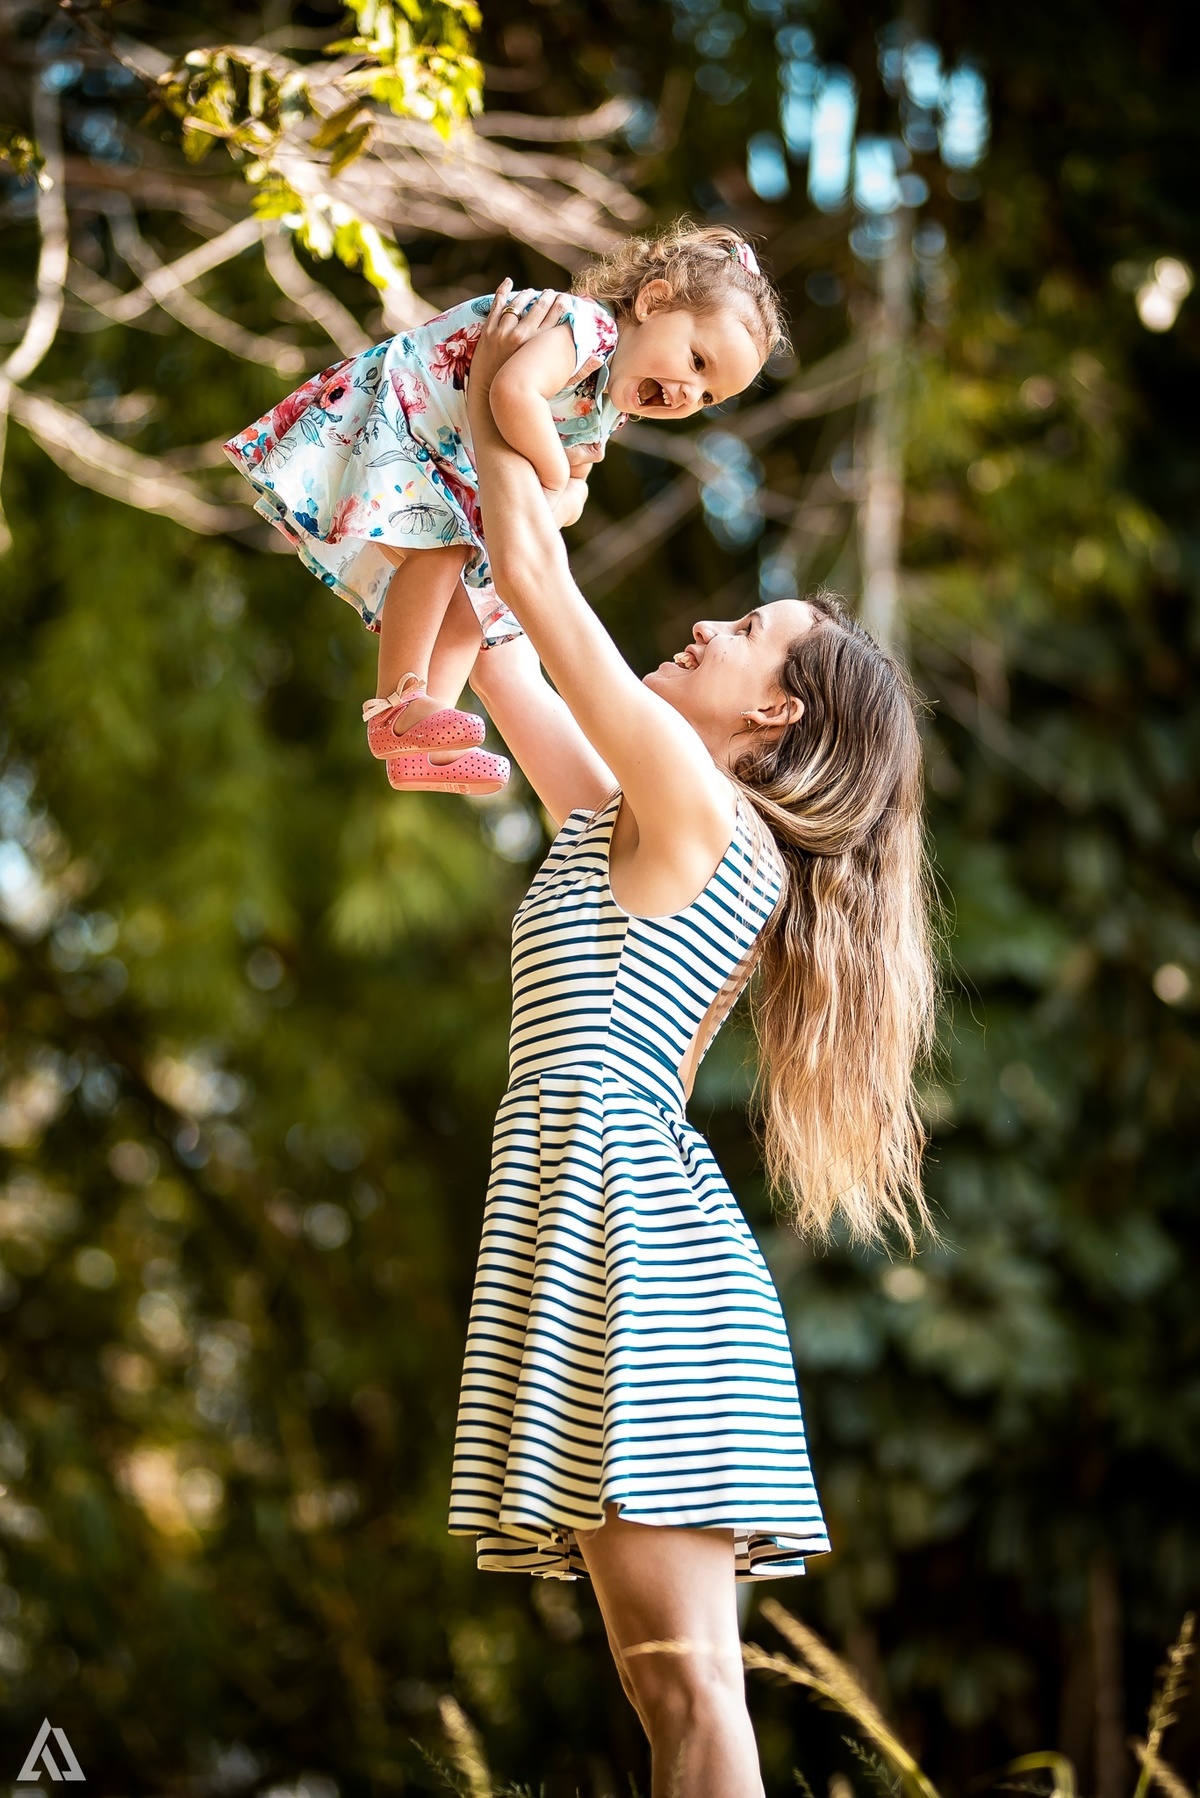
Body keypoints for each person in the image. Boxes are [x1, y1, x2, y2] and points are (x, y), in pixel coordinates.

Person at [446, 285, 937, 1797]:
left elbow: (536, 581)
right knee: (680, 1699)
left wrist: (494, 407)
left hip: (625, 1244)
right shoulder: (638, 808)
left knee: (696, 1698)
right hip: (603, 1230)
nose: (708, 624)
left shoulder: (703, 810)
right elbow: (497, 641)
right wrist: (452, 476)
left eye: (746, 630)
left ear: (774, 711)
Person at [223, 224, 781, 795]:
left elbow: (574, 485)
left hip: (452, 461)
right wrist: (558, 480)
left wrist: (563, 491)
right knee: (444, 546)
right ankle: (396, 704)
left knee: (483, 604)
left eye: (709, 396)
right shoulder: (585, 329)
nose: (690, 392)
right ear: (652, 300)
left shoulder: (610, 404)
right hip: (409, 418)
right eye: (696, 360)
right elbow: (512, 391)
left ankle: (423, 736)